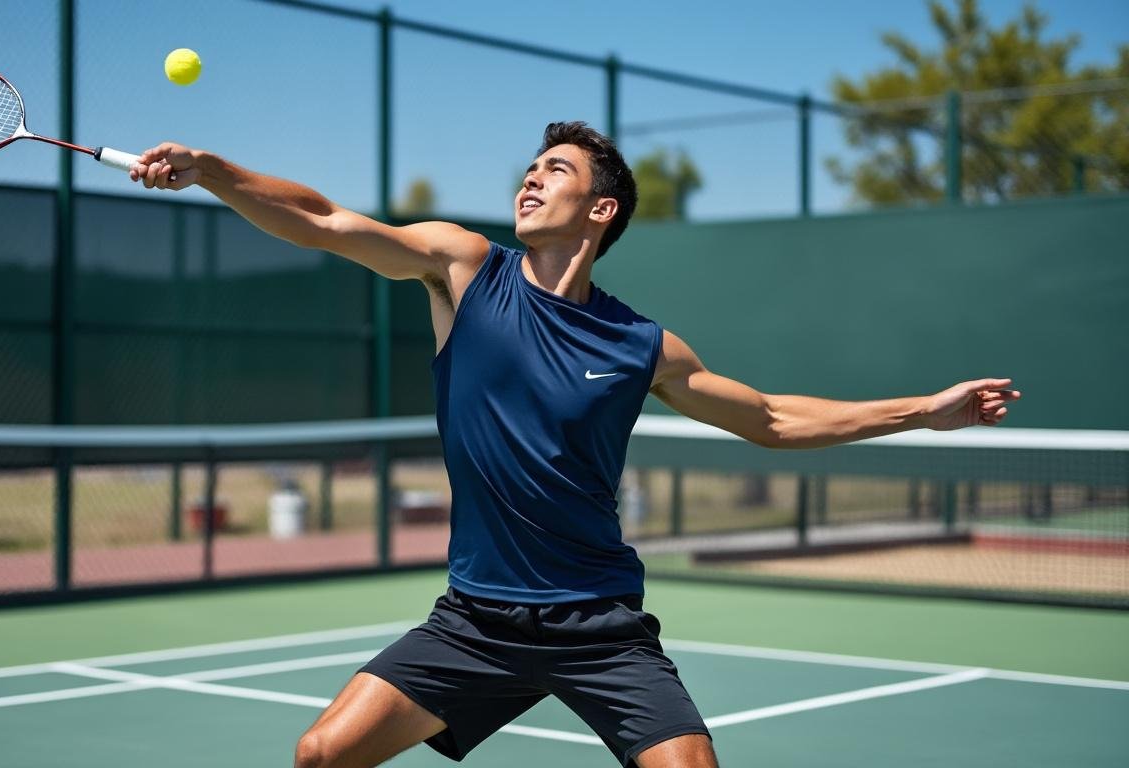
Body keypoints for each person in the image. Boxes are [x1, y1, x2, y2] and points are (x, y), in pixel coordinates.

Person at [129, 121, 1019, 768]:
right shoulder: (463, 269)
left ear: (599, 208)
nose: (528, 179)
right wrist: (212, 169)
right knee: (322, 754)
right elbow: (322, 220)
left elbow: (774, 419)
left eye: (552, 170)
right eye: (527, 167)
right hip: (476, 619)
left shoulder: (643, 345)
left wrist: (922, 412)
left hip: (600, 624)